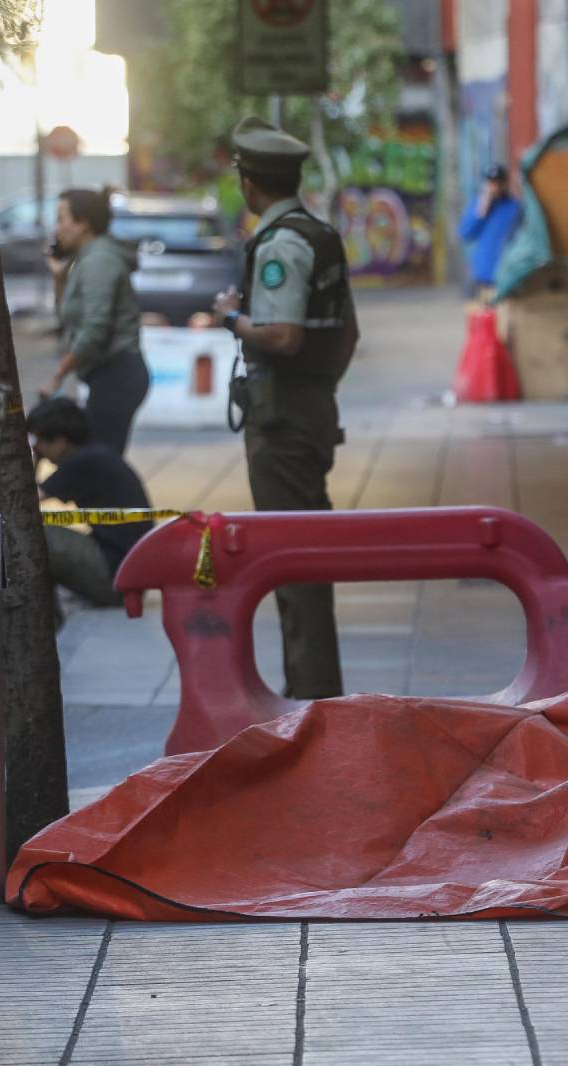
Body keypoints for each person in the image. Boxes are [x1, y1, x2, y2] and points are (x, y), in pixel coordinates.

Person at [211, 117, 358, 701]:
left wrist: (231, 318)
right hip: (310, 407)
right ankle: (315, 690)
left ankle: (311, 696)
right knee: (306, 556)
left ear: (250, 184)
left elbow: (283, 335)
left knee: (291, 562)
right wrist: (322, 387)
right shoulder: (320, 233)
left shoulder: (281, 245)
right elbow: (346, 333)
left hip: (282, 419)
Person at [11, 397, 154, 608]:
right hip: (128, 573)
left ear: (60, 441)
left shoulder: (81, 463)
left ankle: (38, 614)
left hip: (116, 577)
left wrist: (34, 461)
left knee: (31, 533)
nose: (38, 448)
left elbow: (21, 502)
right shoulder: (95, 453)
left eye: (39, 442)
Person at [38, 188, 149, 455]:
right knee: (96, 458)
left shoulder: (99, 261)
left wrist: (58, 374)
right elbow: (70, 317)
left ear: (83, 224)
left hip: (117, 375)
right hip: (107, 375)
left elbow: (95, 329)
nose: (57, 228)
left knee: (98, 460)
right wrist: (59, 277)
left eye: (62, 219)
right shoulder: (85, 259)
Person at [458, 164, 521, 301]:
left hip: (506, 274)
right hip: (482, 274)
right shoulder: (478, 205)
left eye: (498, 183)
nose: (495, 187)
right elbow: (465, 233)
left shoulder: (514, 207)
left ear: (505, 184)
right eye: (492, 183)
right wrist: (480, 213)